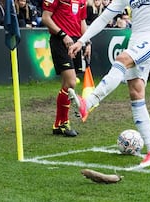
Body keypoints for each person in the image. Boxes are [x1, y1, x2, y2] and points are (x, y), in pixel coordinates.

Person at [67, 0, 150, 167]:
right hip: (137, 40)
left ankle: (88, 103)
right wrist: (82, 41)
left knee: (122, 60)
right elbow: (104, 18)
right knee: (136, 92)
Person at [42, 0, 91, 137]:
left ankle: (59, 124)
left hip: (75, 42)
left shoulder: (83, 1)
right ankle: (63, 122)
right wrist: (63, 35)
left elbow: (82, 21)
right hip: (60, 41)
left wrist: (87, 41)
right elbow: (45, 17)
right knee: (71, 82)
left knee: (67, 85)